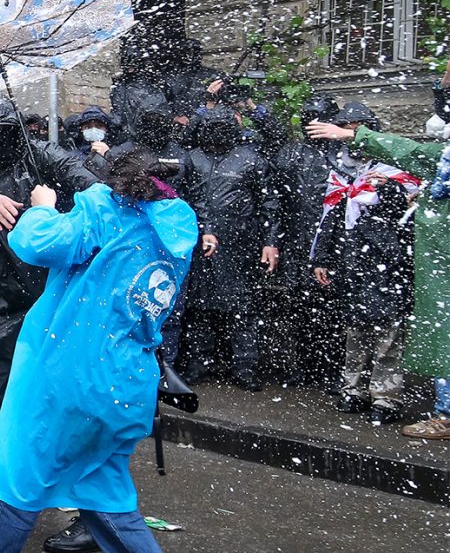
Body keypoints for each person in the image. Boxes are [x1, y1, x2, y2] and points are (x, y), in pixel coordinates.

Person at [0, 146, 197, 553]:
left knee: (21, 485)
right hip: (126, 382)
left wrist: (43, 207)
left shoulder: (105, 211)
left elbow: (37, 244)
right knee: (105, 495)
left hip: (73, 378)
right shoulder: (175, 227)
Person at [0, 95, 98, 519]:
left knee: (68, 403)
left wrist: (55, 205)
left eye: (5, 133)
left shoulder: (46, 158)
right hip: (8, 303)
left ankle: (89, 509)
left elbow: (97, 193)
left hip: (61, 300)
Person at [308, 102, 450, 438]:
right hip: (353, 262)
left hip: (389, 265)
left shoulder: (396, 171)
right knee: (355, 333)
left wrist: (386, 191)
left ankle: (386, 396)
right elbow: (331, 219)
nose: (349, 134)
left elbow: (406, 217)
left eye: (356, 126)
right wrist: (322, 258)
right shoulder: (340, 171)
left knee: (389, 336)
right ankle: (352, 389)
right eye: (347, 127)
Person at [179, 106, 281, 391]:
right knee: (199, 307)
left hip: (239, 243)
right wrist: (202, 228)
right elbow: (186, 198)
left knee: (242, 308)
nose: (216, 132)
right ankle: (199, 363)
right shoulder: (193, 159)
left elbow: (269, 205)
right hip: (199, 242)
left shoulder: (250, 160)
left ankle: (244, 366)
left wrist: (270, 241)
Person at [271, 96, 345, 387]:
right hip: (297, 241)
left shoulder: (343, 154)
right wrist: (274, 240)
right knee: (301, 309)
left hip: (332, 243)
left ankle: (329, 368)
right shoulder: (291, 153)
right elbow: (275, 200)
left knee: (330, 308)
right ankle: (303, 365)